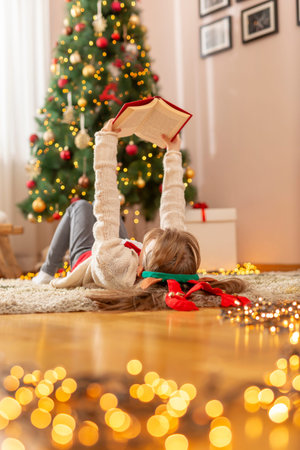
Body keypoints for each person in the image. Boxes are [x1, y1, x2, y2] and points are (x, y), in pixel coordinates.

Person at [34, 118, 249, 311]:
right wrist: (173, 153)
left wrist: (106, 142)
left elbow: (105, 202)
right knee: (111, 218)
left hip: (91, 259)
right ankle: (49, 267)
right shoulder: (172, 263)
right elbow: (173, 209)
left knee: (80, 207)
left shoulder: (111, 265)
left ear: (141, 268)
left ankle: (46, 271)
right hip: (119, 249)